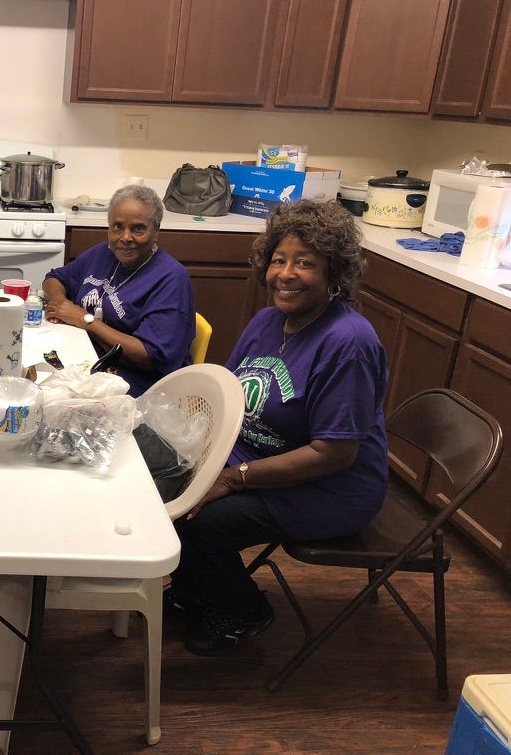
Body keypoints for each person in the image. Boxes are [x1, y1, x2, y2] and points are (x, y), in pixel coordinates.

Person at [169, 199, 389, 657]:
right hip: (258, 458)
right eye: (278, 260)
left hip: (330, 487)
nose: (285, 274)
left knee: (204, 521)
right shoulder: (268, 320)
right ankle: (195, 590)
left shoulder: (348, 343)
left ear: (334, 272)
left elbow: (334, 454)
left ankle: (243, 610)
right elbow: (229, 396)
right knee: (167, 481)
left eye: (304, 263)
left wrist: (231, 478)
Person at [42, 184, 195, 396]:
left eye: (138, 229)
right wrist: (61, 303)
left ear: (156, 231)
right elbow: (54, 278)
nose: (125, 237)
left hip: (135, 389)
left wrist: (86, 321)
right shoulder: (103, 253)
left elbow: (149, 357)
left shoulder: (171, 278)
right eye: (117, 227)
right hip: (89, 364)